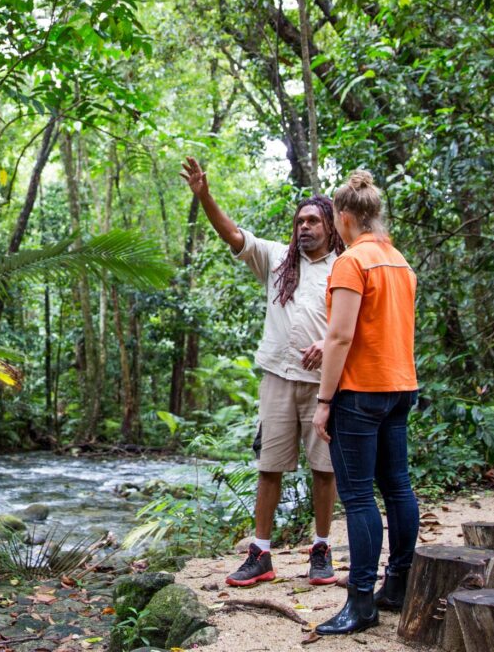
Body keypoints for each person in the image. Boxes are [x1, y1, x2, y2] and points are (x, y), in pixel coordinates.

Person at [179, 156, 342, 588]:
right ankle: (261, 553)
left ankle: (321, 548)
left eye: (312, 220)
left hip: (325, 385)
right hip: (277, 376)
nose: (304, 226)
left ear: (329, 225)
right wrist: (205, 196)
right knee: (269, 466)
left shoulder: (345, 266)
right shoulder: (277, 258)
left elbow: (358, 323)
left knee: (324, 469)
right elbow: (233, 235)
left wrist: (328, 344)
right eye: (299, 221)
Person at [311, 170, 420, 636]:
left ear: (345, 217)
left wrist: (323, 400)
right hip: (400, 387)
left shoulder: (351, 262)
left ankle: (361, 602)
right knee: (398, 486)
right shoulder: (399, 262)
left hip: (360, 392)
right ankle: (397, 586)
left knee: (357, 497)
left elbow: (339, 336)